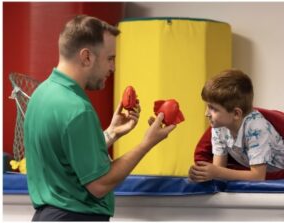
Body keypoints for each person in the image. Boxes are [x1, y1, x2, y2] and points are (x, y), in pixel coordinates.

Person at [23, 15, 177, 221]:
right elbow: (99, 184)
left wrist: (111, 133)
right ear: (86, 57)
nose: (113, 68)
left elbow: (66, 158)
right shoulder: (77, 109)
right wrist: (147, 142)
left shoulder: (40, 95)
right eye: (110, 59)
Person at [189, 69, 284, 182]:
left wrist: (216, 172)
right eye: (208, 106)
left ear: (236, 113)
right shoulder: (219, 127)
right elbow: (219, 168)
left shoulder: (256, 127)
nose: (207, 113)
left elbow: (258, 176)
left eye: (213, 109)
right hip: (264, 165)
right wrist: (203, 174)